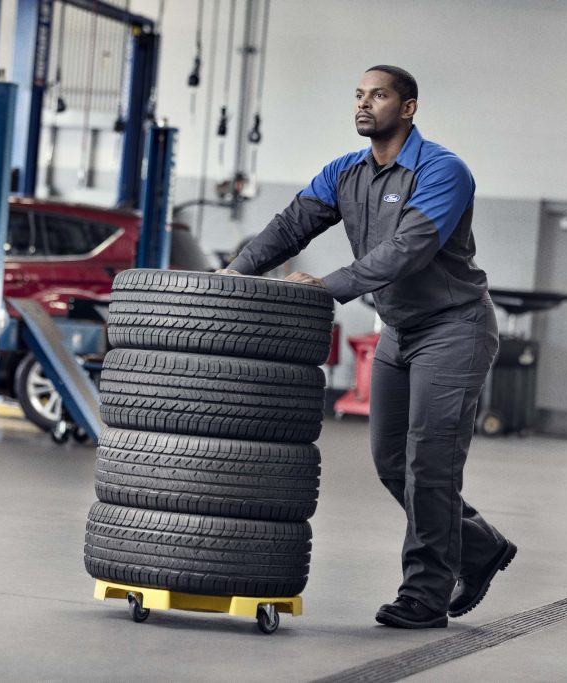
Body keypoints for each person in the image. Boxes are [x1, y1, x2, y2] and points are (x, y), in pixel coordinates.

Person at [219, 65, 516, 629]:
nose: (364, 103)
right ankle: (478, 547)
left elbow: (409, 249)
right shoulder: (345, 171)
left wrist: (326, 286)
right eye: (358, 94)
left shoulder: (444, 171)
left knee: (429, 464)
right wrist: (231, 276)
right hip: (398, 331)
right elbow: (291, 227)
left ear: (407, 109)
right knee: (389, 464)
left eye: (378, 95)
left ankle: (425, 596)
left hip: (454, 329)